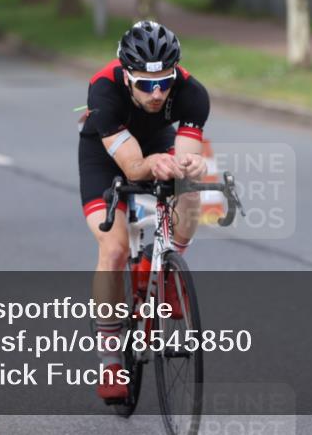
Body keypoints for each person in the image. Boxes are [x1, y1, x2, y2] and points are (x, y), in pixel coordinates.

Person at [78, 20, 209, 402]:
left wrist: (190, 166)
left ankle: (165, 267)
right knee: (115, 248)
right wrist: (152, 165)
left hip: (156, 142)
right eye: (145, 85)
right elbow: (134, 168)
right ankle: (110, 361)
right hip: (105, 156)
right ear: (126, 76)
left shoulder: (192, 93)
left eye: (164, 83)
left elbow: (186, 156)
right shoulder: (103, 88)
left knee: (190, 186)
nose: (157, 93)